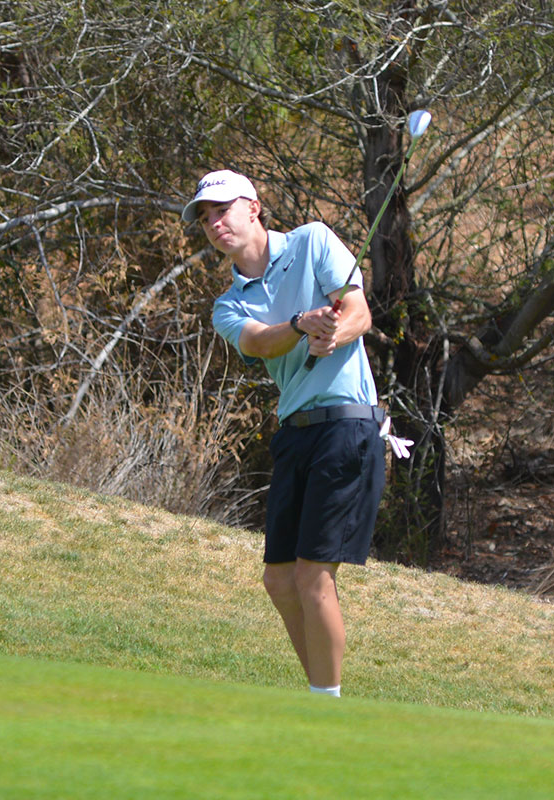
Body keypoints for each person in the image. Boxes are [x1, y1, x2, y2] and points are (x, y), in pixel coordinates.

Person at [181, 169, 386, 697]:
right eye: (205, 218)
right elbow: (259, 343)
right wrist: (300, 325)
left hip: (346, 423)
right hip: (295, 432)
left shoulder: (313, 241)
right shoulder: (228, 305)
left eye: (222, 210)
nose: (214, 223)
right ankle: (321, 694)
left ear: (253, 207)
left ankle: (327, 708)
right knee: (279, 579)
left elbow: (358, 311)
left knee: (313, 575)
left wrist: (334, 333)